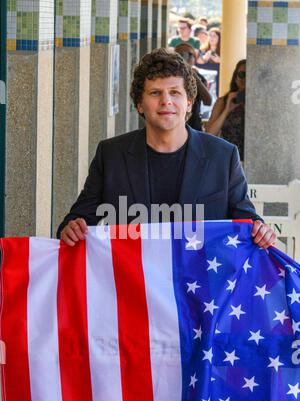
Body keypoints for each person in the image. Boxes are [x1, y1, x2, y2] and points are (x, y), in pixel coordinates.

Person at [58, 48, 276, 250]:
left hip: (199, 286)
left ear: (189, 102)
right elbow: (78, 219)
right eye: (155, 93)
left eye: (175, 92)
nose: (166, 101)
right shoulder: (111, 154)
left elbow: (246, 218)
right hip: (134, 283)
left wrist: (261, 229)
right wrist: (72, 227)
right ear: (140, 104)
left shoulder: (223, 156)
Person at [205, 60, 246, 161]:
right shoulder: (223, 102)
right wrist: (226, 110)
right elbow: (209, 135)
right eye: (241, 74)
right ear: (235, 78)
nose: (245, 78)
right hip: (228, 159)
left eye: (250, 74)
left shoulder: (263, 103)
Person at [174, 43, 212, 131]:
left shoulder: (198, 77)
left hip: (193, 127)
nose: (185, 58)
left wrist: (193, 75)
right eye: (180, 55)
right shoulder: (168, 76)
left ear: (194, 59)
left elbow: (208, 101)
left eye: (189, 55)